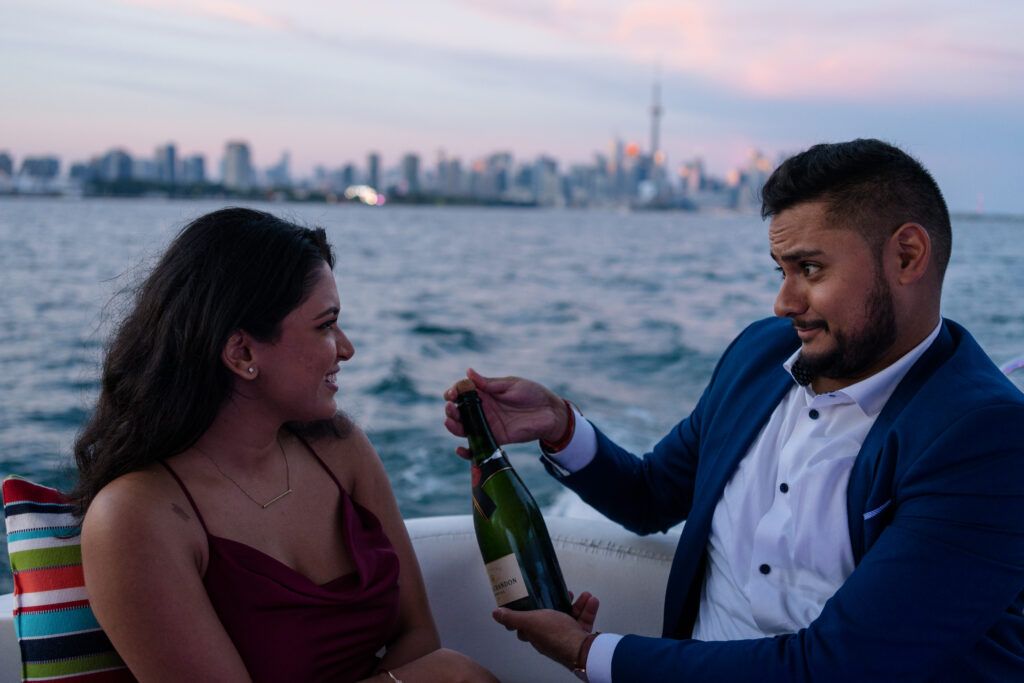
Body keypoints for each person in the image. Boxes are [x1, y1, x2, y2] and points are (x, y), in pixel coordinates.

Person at [443, 139, 1024, 682]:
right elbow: (652, 495)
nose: (784, 301)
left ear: (907, 255)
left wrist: (588, 652)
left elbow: (844, 666)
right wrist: (560, 427)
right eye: (782, 270)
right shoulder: (760, 353)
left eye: (811, 269)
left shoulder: (988, 437)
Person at [77, 208, 498, 682]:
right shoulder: (137, 517)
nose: (346, 348)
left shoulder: (340, 450)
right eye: (325, 325)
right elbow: (432, 665)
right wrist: (436, 677)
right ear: (243, 353)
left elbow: (419, 635)